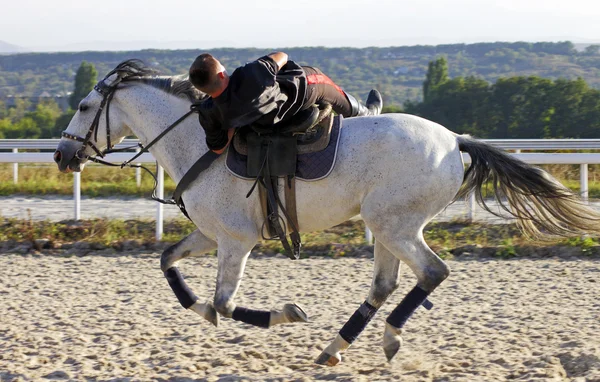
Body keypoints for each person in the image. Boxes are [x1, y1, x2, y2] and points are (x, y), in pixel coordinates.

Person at [189, 52, 383, 154]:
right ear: (222, 73)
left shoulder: (209, 112)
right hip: (299, 97)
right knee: (321, 79)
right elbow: (282, 56)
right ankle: (365, 114)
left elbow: (218, 148)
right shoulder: (249, 75)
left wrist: (231, 123)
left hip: (264, 123)